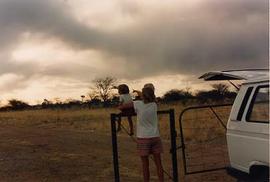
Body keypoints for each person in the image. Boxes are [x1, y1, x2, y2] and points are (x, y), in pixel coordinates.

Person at [119, 87, 164, 182]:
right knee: (159, 164)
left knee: (145, 165)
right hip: (155, 136)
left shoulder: (138, 104)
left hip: (143, 138)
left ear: (143, 96)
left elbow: (121, 107)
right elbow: (148, 96)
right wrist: (138, 92)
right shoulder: (154, 104)